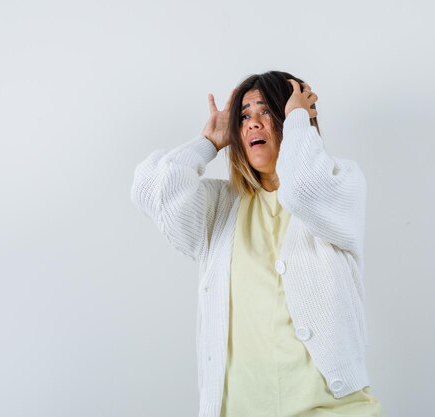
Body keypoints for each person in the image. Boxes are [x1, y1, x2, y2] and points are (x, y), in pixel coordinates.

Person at [131, 71, 384, 417]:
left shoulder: (341, 183)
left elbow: (302, 187)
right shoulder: (221, 207)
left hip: (331, 408)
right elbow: (152, 190)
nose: (252, 124)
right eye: (244, 116)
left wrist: (300, 120)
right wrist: (209, 142)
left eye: (266, 111)